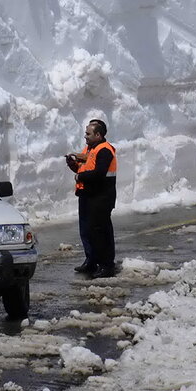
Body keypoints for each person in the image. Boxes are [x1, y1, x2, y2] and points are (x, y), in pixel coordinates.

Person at [65, 119, 117, 278]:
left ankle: (106, 265)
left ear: (98, 134)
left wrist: (80, 176)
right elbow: (85, 168)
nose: (85, 136)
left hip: (101, 197)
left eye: (88, 133)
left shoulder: (105, 150)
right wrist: (73, 164)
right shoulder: (90, 149)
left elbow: (99, 173)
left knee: (101, 231)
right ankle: (91, 260)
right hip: (87, 195)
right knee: (87, 231)